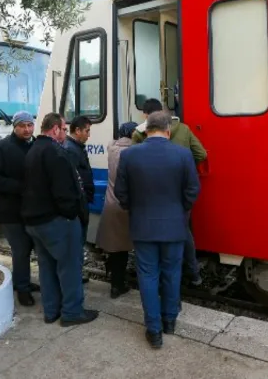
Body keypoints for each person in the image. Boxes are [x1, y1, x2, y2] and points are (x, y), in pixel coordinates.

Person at [116, 111, 200, 349]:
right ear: (168, 130)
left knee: (148, 276)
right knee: (172, 273)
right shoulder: (183, 155)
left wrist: (136, 209)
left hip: (143, 227)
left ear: (145, 129)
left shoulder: (130, 154)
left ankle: (154, 330)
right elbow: (192, 190)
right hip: (174, 226)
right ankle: (170, 320)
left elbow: (121, 193)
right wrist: (179, 211)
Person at [22, 113, 99, 326]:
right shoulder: (56, 152)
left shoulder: (33, 150)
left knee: (46, 267)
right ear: (55, 129)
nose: (66, 133)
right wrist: (72, 214)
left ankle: (51, 310)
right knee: (69, 267)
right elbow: (65, 191)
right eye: (64, 129)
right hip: (56, 221)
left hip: (34, 222)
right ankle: (72, 312)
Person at [132, 98, 205, 286]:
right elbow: (202, 154)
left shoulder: (140, 134)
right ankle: (193, 272)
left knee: (153, 238)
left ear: (147, 116)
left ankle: (161, 277)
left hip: (151, 196)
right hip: (181, 193)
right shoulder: (184, 129)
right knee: (183, 232)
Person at [0, 110, 40, 306]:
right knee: (21, 249)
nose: (27, 129)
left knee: (29, 248)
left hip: (31, 209)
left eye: (30, 125)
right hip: (10, 210)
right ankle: (22, 290)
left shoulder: (35, 146)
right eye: (22, 126)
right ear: (14, 127)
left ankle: (22, 281)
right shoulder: (0, 148)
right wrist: (20, 187)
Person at [96, 121, 137, 299]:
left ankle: (114, 280)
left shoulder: (112, 148)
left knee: (115, 247)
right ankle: (117, 285)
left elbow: (113, 141)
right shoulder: (132, 153)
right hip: (125, 205)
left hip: (110, 203)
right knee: (122, 249)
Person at [62, 115, 94, 284]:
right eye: (87, 131)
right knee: (76, 243)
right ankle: (75, 276)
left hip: (82, 202)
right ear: (77, 130)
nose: (89, 135)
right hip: (78, 205)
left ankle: (77, 272)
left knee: (78, 242)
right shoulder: (71, 150)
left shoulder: (76, 147)